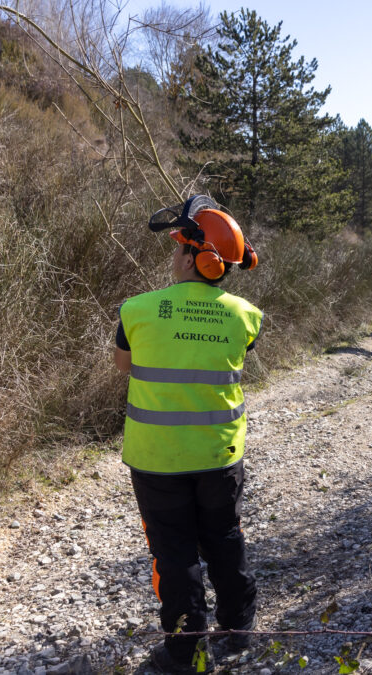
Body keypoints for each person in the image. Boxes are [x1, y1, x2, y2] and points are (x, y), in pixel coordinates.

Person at [113, 195, 262, 673]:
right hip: (220, 455)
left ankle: (186, 651)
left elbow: (124, 364)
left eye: (177, 247)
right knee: (224, 537)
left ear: (195, 257)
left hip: (156, 459)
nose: (173, 255)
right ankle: (237, 630)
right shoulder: (245, 315)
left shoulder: (136, 309)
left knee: (173, 552)